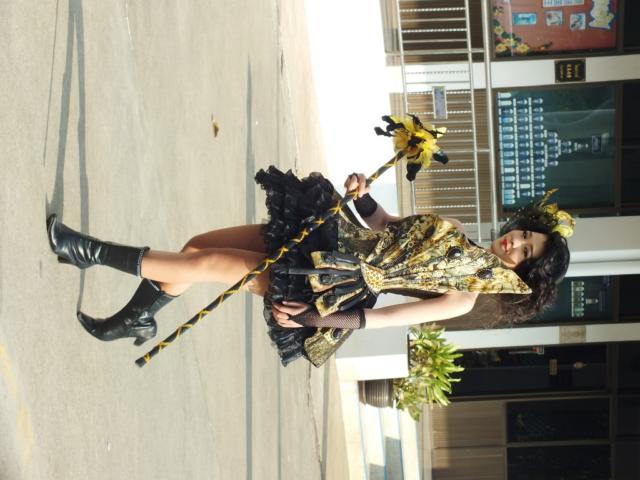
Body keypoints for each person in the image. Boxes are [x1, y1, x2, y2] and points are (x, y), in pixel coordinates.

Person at [47, 167, 573, 366]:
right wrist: (362, 195)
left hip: (326, 282)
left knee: (206, 263)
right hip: (325, 233)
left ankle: (86, 251)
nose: (515, 242)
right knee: (195, 247)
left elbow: (383, 319)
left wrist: (315, 318)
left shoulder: (464, 296)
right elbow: (386, 226)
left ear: (523, 275)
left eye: (525, 252)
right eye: (525, 235)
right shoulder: (454, 227)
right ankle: (139, 318)